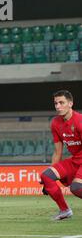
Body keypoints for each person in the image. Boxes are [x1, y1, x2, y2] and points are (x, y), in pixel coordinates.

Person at [40, 90, 81, 220]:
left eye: (61, 103)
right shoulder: (55, 123)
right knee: (46, 176)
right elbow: (57, 152)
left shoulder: (80, 121)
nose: (58, 106)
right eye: (56, 103)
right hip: (75, 160)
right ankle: (64, 210)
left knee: (76, 188)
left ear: (70, 103)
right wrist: (49, 182)